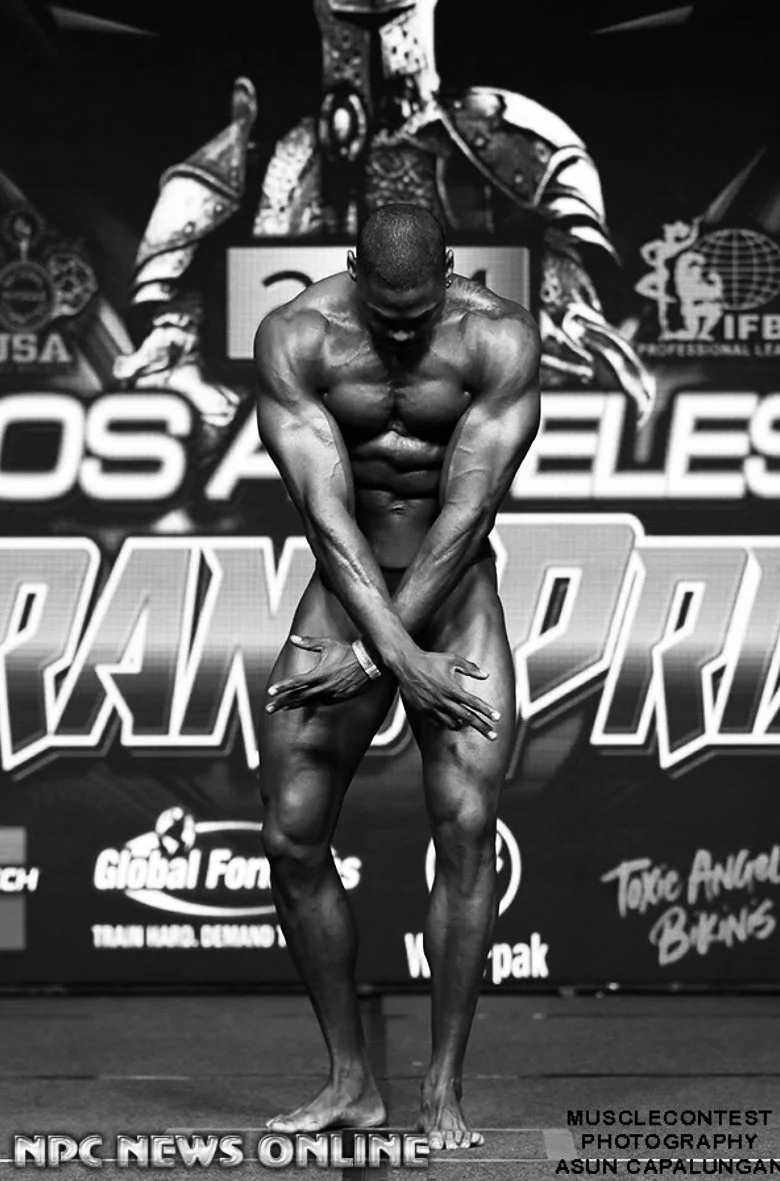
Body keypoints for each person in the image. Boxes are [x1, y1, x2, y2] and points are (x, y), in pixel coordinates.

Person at [254, 202, 540, 1151]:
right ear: (352, 272)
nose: (408, 332)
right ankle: (350, 1080)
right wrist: (386, 648)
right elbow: (323, 510)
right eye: (389, 314)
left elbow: (470, 506)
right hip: (345, 588)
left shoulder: (498, 338)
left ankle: (444, 1088)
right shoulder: (299, 335)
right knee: (290, 836)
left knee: (465, 829)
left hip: (455, 595)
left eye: (422, 315)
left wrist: (387, 659)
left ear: (451, 272)